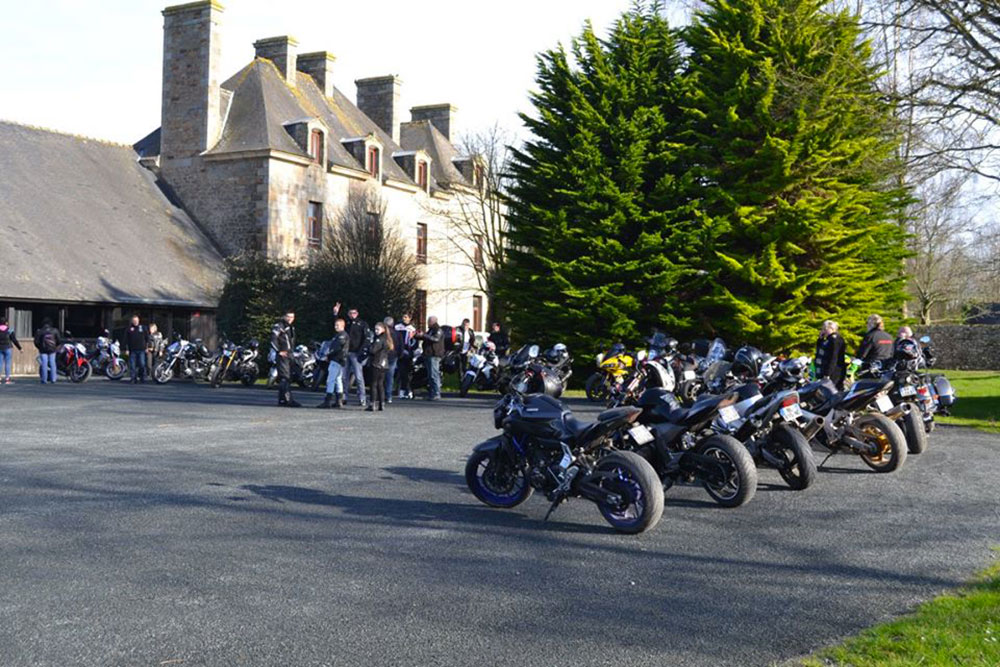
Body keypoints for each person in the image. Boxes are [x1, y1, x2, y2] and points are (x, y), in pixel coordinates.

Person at [334, 302, 370, 407]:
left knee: (359, 377)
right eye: (350, 313)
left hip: (356, 353)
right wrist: (336, 314)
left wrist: (362, 352)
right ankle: (344, 397)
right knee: (344, 376)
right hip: (346, 352)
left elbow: (366, 339)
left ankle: (362, 397)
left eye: (354, 313)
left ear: (357, 313)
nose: (352, 315)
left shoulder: (362, 324)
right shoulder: (347, 323)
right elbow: (338, 326)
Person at [271, 311, 301, 407]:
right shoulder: (279, 326)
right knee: (285, 377)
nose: (290, 319)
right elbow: (273, 339)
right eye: (288, 316)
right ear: (284, 316)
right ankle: (288, 400)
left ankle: (282, 400)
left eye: (292, 317)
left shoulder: (291, 327)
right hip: (283, 355)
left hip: (289, 354)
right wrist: (279, 351)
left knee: (287, 377)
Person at [318, 318, 349, 409]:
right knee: (338, 380)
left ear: (343, 326)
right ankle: (339, 400)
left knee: (330, 380)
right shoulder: (339, 335)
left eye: (338, 325)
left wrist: (328, 355)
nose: (336, 327)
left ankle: (327, 401)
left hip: (337, 359)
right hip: (340, 360)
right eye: (335, 325)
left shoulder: (341, 336)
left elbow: (336, 348)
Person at [366, 321, 393, 412]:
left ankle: (372, 404)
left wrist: (369, 345)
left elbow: (373, 350)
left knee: (373, 384)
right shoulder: (387, 339)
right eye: (375, 329)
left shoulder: (379, 339)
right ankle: (382, 404)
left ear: (383, 329)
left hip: (376, 363)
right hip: (384, 364)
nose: (376, 331)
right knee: (380, 384)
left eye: (378, 329)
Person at [814, 320, 847, 389]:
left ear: (831, 329)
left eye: (825, 329)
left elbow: (833, 357)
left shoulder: (835, 340)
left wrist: (827, 373)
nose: (823, 331)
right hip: (825, 369)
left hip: (834, 371)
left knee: (832, 390)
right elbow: (820, 349)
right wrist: (820, 339)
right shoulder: (828, 339)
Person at [419, 315, 444, 400]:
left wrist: (425, 335)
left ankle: (437, 393)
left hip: (434, 355)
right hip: (428, 354)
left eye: (428, 321)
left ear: (433, 321)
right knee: (430, 375)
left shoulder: (438, 330)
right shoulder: (430, 330)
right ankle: (432, 393)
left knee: (434, 375)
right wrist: (419, 336)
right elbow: (427, 338)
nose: (427, 323)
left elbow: (436, 339)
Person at [394, 313, 416, 399]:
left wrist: (411, 348)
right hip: (399, 352)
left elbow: (414, 342)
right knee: (400, 372)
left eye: (406, 317)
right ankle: (401, 390)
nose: (404, 319)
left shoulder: (412, 329)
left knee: (407, 373)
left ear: (410, 319)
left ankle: (408, 390)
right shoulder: (397, 327)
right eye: (403, 317)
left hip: (408, 354)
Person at [34, 318, 60, 384]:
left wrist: (39, 347)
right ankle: (53, 379)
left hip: (43, 350)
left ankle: (44, 379)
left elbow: (36, 341)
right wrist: (56, 346)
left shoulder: (40, 331)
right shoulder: (55, 330)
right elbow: (59, 340)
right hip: (52, 349)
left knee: (44, 364)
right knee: (52, 363)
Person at [125, 315, 150, 384]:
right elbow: (126, 340)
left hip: (142, 349)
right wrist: (126, 349)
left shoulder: (143, 328)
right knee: (132, 365)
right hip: (132, 350)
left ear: (138, 321)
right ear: (132, 321)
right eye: (134, 321)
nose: (135, 322)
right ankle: (133, 378)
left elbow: (147, 338)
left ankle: (142, 377)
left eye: (136, 320)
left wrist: (147, 347)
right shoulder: (129, 329)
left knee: (142, 364)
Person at [0, 316, 23, 384]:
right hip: (8, 348)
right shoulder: (9, 330)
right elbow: (14, 340)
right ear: (6, 323)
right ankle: (7, 379)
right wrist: (20, 348)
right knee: (8, 363)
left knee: (0, 363)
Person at [383, 317, 397, 404]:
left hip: (383, 357)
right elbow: (400, 346)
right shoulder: (397, 333)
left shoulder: (383, 334)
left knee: (381, 377)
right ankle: (389, 396)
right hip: (393, 356)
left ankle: (382, 395)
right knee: (390, 377)